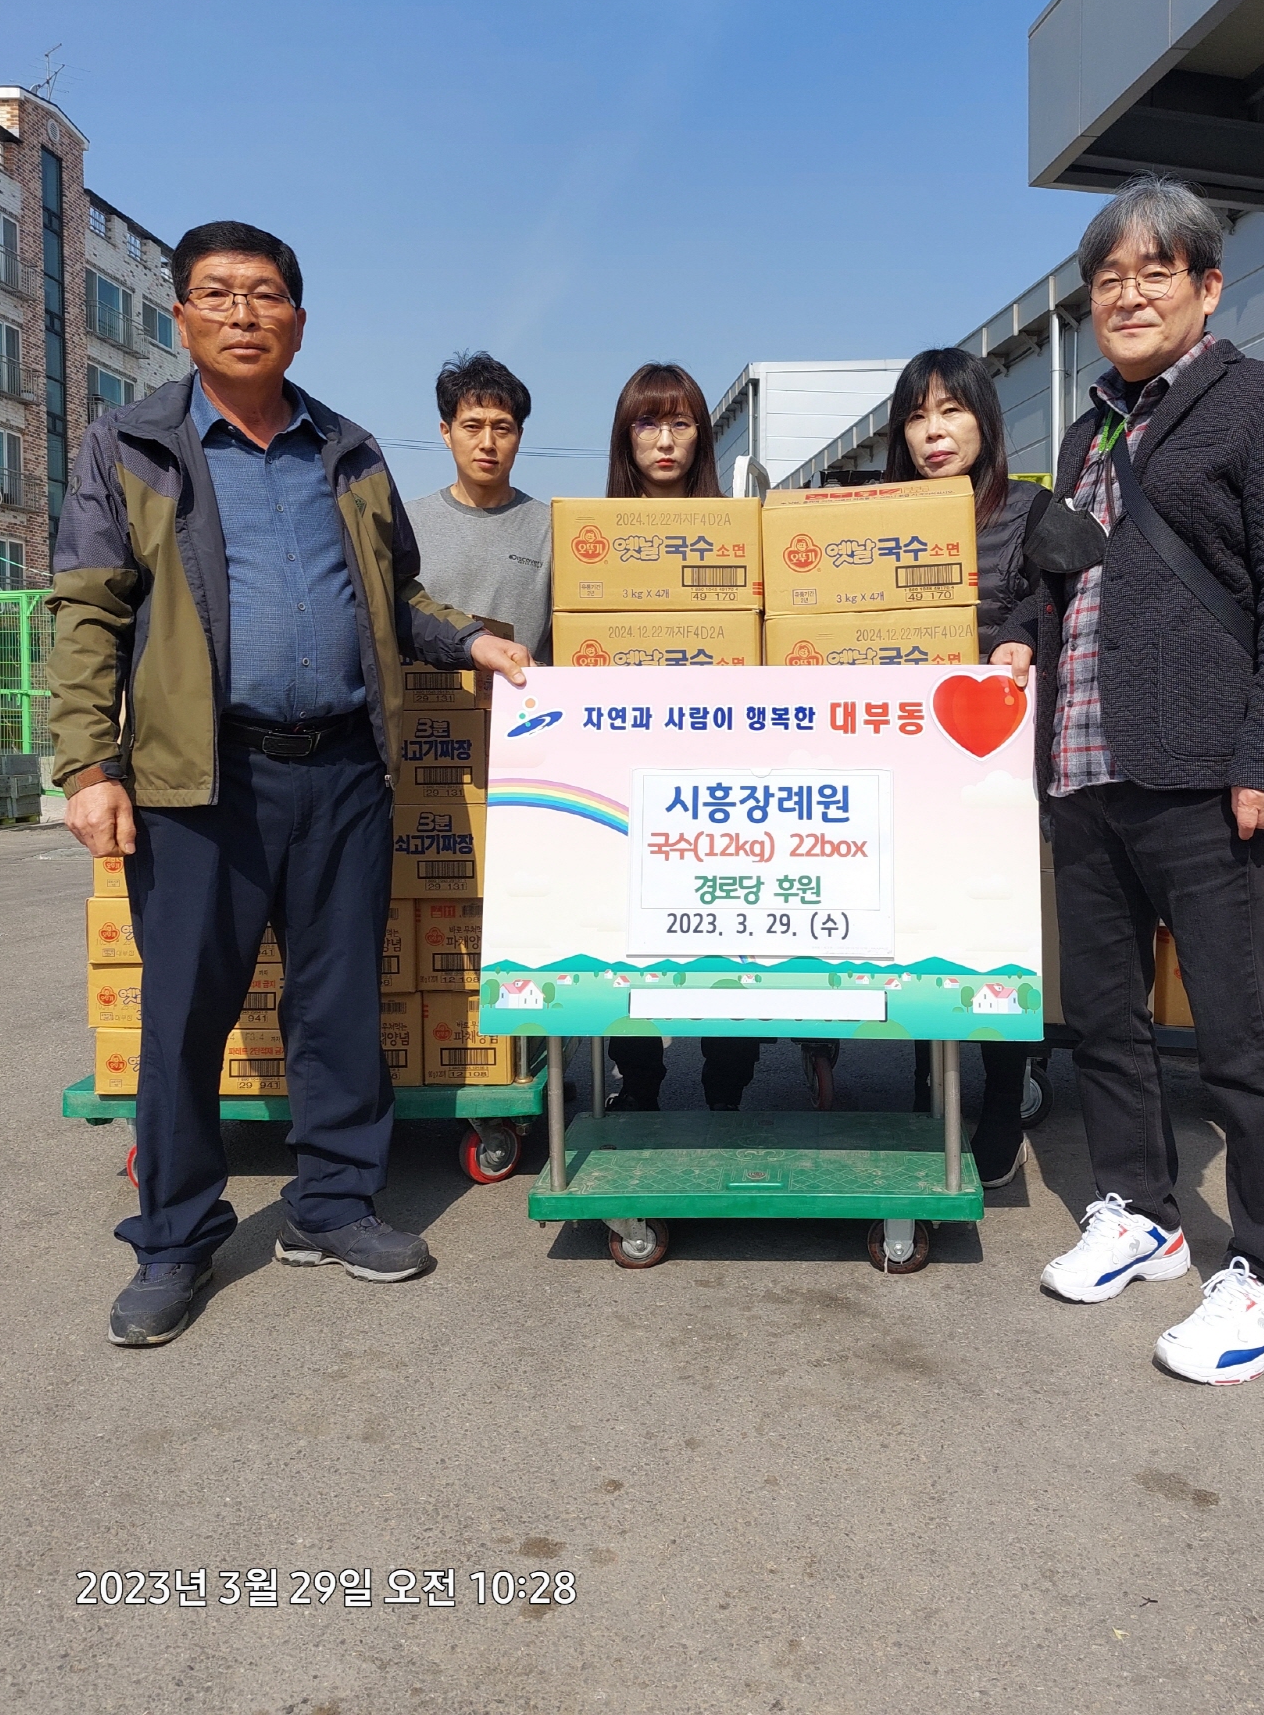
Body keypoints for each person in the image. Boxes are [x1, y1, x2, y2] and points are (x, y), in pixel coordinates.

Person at [50, 220, 533, 1348]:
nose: (243, 312)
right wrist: (84, 762)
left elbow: (401, 597)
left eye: (265, 295)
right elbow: (87, 610)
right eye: (217, 294)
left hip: (345, 770)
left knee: (339, 1004)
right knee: (182, 1017)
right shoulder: (129, 444)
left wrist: (477, 644)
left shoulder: (349, 451)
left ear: (300, 320)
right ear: (181, 316)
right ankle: (173, 1236)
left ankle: (332, 1203)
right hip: (196, 778)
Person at [991, 175, 1264, 1384]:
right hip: (1086, 776)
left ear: (1208, 285)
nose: (1129, 294)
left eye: (1156, 272)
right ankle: (1141, 1209)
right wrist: (1014, 645)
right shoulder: (1089, 434)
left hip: (1204, 776)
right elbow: (1053, 592)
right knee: (1105, 1017)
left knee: (1242, 1035)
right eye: (1108, 279)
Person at [865, 346, 1043, 1186]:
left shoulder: (1029, 511)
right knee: (915, 934)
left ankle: (1004, 1096)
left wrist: (1025, 634)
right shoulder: (875, 518)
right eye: (917, 416)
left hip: (989, 763)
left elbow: (1065, 599)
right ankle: (923, 1091)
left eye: (952, 412)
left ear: (985, 421)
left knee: (994, 938)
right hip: (900, 758)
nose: (934, 433)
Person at [601, 362, 759, 1113]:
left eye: (681, 423)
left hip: (722, 768)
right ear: (624, 436)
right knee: (627, 940)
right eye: (646, 423)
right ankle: (639, 1083)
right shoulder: (590, 538)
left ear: (702, 434)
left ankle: (727, 1086)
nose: (664, 441)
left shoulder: (743, 533)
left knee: (728, 928)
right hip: (621, 768)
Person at [407, 351, 553, 664]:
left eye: (502, 428)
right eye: (472, 426)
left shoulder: (553, 530)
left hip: (526, 707)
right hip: (430, 711)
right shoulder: (407, 524)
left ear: (519, 436)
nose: (487, 442)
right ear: (446, 433)